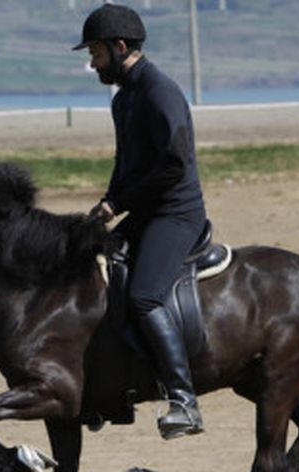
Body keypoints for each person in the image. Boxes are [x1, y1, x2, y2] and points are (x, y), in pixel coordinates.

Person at [74, 3, 208, 440]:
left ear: (119, 47)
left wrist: (120, 205)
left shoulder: (159, 91)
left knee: (146, 297)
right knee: (96, 273)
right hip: (144, 211)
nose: (91, 61)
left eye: (95, 52)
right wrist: (107, 202)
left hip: (176, 214)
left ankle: (184, 400)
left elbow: (173, 164)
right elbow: (125, 163)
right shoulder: (125, 97)